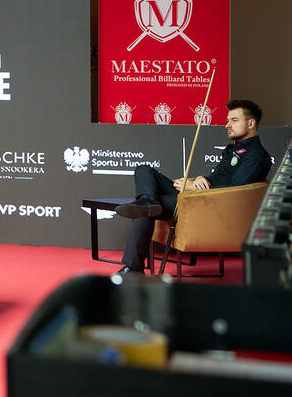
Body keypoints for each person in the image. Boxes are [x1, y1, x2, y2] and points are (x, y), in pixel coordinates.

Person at [114, 99, 272, 275]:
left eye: (234, 120)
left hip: (207, 203)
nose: (227, 125)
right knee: (144, 170)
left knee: (143, 210)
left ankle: (133, 267)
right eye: (228, 120)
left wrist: (195, 189)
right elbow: (215, 179)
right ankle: (148, 200)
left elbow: (235, 193)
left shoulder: (257, 156)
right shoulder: (235, 148)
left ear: (251, 123)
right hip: (198, 195)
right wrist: (196, 179)